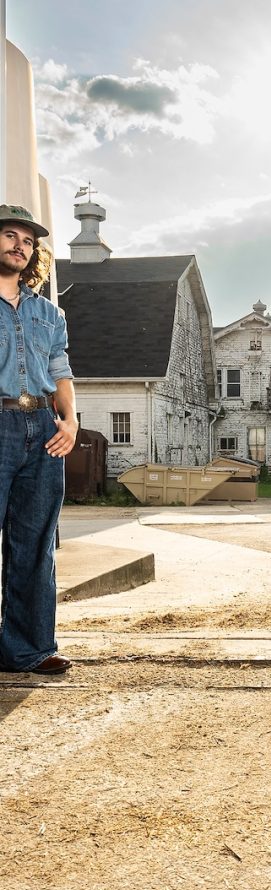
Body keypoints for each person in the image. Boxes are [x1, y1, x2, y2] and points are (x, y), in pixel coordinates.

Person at [0, 204, 78, 674]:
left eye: (27, 241)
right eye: (10, 235)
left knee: (34, 543)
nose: (19, 246)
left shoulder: (50, 312)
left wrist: (69, 422)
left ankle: (26, 650)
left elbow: (60, 370)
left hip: (43, 429)